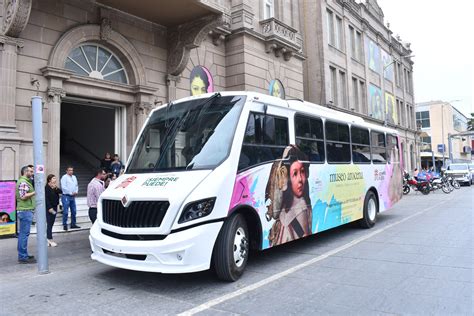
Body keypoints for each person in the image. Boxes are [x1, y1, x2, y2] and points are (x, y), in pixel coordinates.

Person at [265, 145, 312, 246]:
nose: (300, 179)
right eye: (295, 174)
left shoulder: (285, 208)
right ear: (287, 178)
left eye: (302, 172)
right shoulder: (301, 207)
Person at [16, 165, 36, 264]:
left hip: (25, 210)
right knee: (24, 234)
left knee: (23, 234)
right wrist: (35, 192)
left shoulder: (25, 181)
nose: (32, 173)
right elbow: (23, 196)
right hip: (25, 210)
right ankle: (23, 256)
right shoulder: (23, 182)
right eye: (31, 171)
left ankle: (23, 254)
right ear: (25, 172)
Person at [60, 166, 80, 231]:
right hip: (66, 196)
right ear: (67, 171)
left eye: (72, 170)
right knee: (65, 211)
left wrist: (76, 192)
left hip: (73, 197)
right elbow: (63, 187)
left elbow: (76, 185)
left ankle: (73, 224)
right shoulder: (64, 177)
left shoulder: (74, 177)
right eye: (69, 170)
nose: (71, 171)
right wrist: (71, 192)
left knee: (74, 211)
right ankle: (64, 224)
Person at [45, 174, 62, 247]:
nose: (55, 180)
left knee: (51, 223)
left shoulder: (54, 187)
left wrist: (55, 188)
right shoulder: (46, 188)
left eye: (55, 178)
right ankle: (49, 239)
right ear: (49, 180)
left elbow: (60, 192)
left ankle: (48, 238)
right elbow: (46, 199)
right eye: (53, 178)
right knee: (49, 223)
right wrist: (49, 208)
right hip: (50, 208)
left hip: (55, 206)